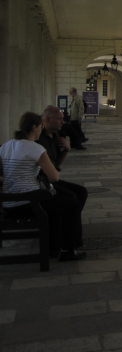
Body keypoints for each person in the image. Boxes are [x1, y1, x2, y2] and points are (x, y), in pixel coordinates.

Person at [1, 111, 86, 260]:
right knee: (70, 202)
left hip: (8, 202)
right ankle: (68, 249)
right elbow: (54, 176)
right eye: (40, 126)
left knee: (64, 199)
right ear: (35, 127)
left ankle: (55, 245)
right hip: (28, 201)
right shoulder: (35, 148)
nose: (41, 129)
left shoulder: (6, 145)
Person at [37, 106, 89, 248]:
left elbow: (56, 165)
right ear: (47, 120)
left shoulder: (54, 136)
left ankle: (68, 230)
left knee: (81, 192)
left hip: (48, 180)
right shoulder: (39, 139)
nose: (62, 122)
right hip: (40, 184)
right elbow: (53, 174)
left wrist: (66, 150)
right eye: (59, 119)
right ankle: (69, 243)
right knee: (70, 199)